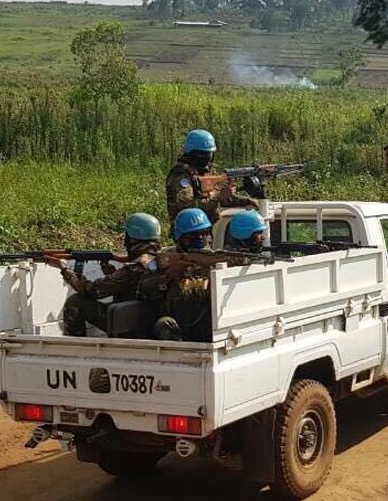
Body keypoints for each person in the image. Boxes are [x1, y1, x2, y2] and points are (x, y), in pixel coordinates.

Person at [55, 213, 162, 337]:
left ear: (132, 239)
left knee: (75, 302)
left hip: (131, 327)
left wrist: (65, 270)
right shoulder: (163, 261)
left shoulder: (133, 270)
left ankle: (76, 349)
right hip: (149, 324)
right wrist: (112, 274)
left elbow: (93, 290)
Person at [151, 208, 223, 342]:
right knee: (164, 324)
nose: (202, 238)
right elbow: (145, 288)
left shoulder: (213, 258)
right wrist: (170, 275)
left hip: (206, 325)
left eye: (205, 233)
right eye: (196, 235)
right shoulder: (167, 258)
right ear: (182, 237)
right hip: (177, 326)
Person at [165, 129, 251, 224]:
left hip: (208, 226)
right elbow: (186, 206)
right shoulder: (181, 174)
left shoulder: (205, 171)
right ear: (192, 154)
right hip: (188, 230)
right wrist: (218, 196)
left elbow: (217, 201)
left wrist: (247, 201)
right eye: (202, 154)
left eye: (209, 154)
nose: (206, 158)